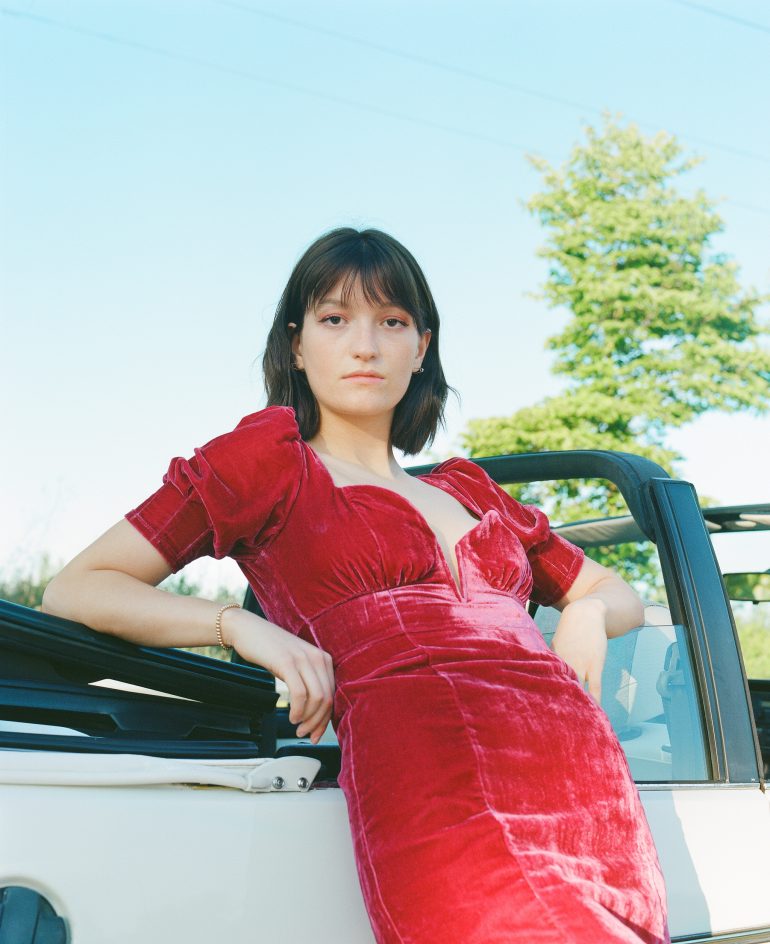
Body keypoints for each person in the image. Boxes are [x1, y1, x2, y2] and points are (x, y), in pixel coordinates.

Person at [42, 226, 671, 943]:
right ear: (297, 345)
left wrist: (585, 613)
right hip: (442, 797)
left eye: (391, 322)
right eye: (336, 319)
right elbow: (79, 586)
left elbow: (617, 594)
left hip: (592, 794)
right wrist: (237, 626)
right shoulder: (270, 464)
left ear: (421, 348)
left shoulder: (471, 490)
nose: (365, 345)